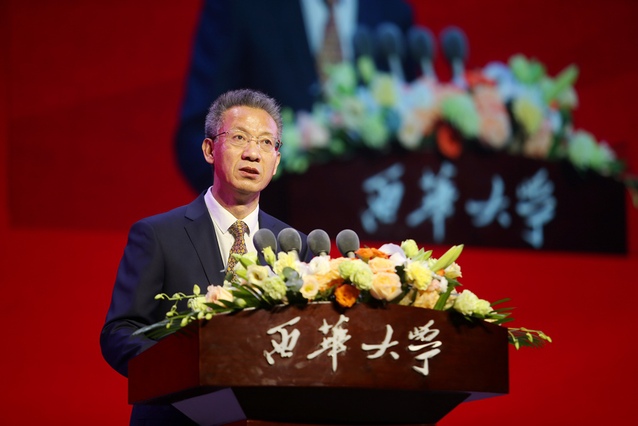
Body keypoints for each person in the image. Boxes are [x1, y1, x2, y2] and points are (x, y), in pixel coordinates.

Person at [100, 89, 312, 425]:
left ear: (276, 160)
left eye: (266, 142)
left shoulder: (295, 245)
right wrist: (187, 374)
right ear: (209, 149)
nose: (253, 153)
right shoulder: (157, 235)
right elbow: (120, 333)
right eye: (239, 138)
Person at [175, 0, 415, 201]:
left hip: (376, 222)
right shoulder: (240, 7)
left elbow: (413, 127)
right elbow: (199, 132)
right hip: (271, 228)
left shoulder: (393, 12)